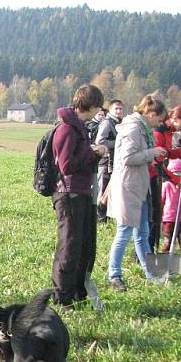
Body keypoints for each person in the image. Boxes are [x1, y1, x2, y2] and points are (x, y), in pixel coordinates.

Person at [50, 85, 107, 309]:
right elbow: (66, 165)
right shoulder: (66, 129)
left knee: (83, 245)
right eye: (97, 107)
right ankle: (62, 296)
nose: (98, 111)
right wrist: (92, 153)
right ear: (91, 105)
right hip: (68, 193)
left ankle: (76, 291)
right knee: (69, 246)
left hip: (82, 191)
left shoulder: (79, 127)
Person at [106, 95, 168, 290]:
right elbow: (127, 158)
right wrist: (153, 153)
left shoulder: (142, 127)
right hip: (128, 187)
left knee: (142, 233)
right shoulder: (133, 128)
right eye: (159, 119)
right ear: (150, 114)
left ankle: (150, 273)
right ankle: (114, 275)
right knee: (124, 232)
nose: (159, 124)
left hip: (138, 187)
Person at [149, 105, 181, 251]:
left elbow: (166, 153)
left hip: (158, 175)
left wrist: (180, 153)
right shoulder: (159, 131)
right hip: (151, 176)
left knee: (155, 216)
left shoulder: (169, 132)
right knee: (153, 217)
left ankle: (151, 250)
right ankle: (147, 251)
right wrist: (175, 179)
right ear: (175, 119)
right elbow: (157, 161)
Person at [160, 158, 181, 263]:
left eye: (179, 174)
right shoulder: (167, 185)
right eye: (174, 174)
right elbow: (161, 201)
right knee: (168, 240)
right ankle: (165, 258)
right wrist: (160, 215)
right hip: (169, 218)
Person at [96, 99, 123, 222]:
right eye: (116, 109)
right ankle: (100, 217)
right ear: (111, 110)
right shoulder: (107, 123)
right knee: (103, 189)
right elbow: (100, 142)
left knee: (111, 190)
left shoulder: (120, 123)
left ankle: (107, 215)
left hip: (115, 161)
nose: (118, 111)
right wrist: (117, 142)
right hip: (105, 161)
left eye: (120, 109)